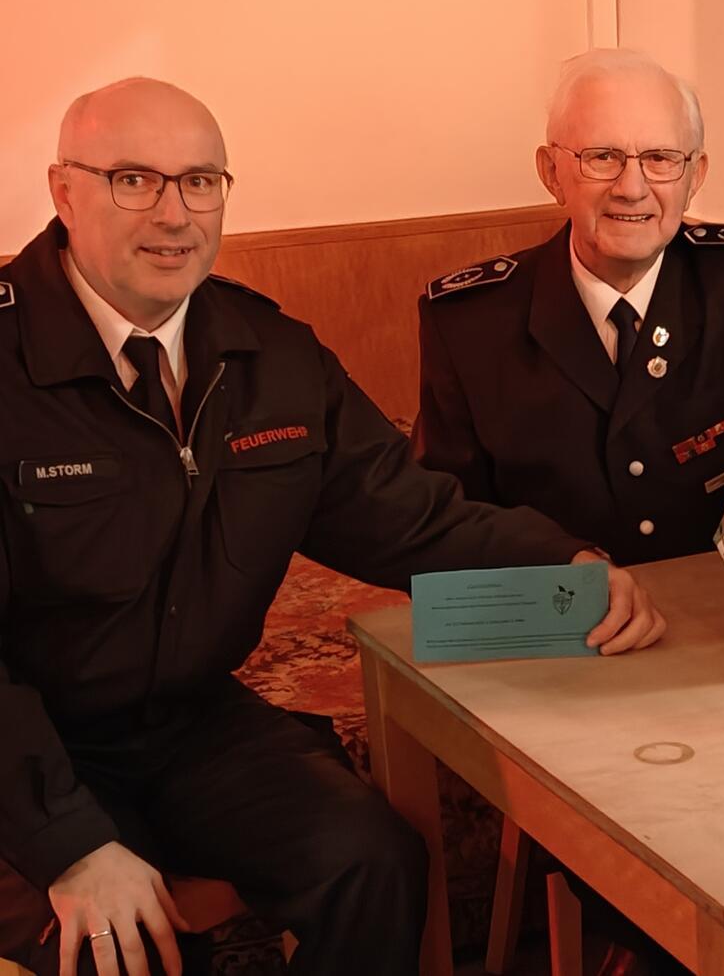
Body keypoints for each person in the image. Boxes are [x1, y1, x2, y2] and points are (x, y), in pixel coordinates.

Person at [0, 78, 664, 976]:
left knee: (374, 863)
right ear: (63, 190)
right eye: (133, 179)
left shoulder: (271, 354)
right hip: (22, 742)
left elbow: (407, 513)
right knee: (115, 950)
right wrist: (70, 844)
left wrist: (568, 560)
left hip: (184, 724)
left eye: (200, 181)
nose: (174, 212)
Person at [415, 49, 724, 566]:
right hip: (561, 613)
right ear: (552, 173)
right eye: (602, 157)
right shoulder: (469, 323)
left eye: (660, 158)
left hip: (723, 608)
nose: (632, 188)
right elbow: (448, 519)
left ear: (695, 175)